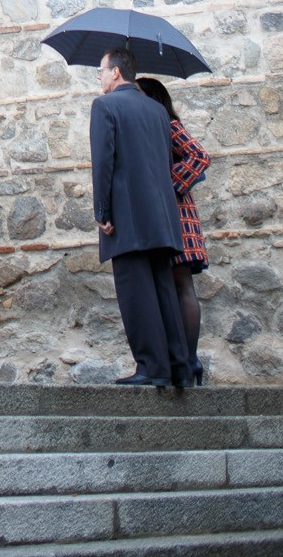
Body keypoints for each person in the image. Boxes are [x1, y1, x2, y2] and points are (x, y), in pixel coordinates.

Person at [91, 49, 192, 388]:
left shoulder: (105, 106)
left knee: (136, 294)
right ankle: (179, 367)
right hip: (162, 216)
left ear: (116, 72)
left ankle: (152, 367)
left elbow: (103, 163)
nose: (100, 78)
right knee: (163, 289)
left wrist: (102, 212)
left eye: (102, 71)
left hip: (128, 217)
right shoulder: (157, 111)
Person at [138, 77, 210, 385]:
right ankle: (178, 359)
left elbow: (199, 156)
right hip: (161, 216)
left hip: (178, 215)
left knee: (182, 285)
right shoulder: (150, 127)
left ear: (154, 98)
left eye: (140, 94)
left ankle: (191, 360)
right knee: (168, 286)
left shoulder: (168, 123)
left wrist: (167, 185)